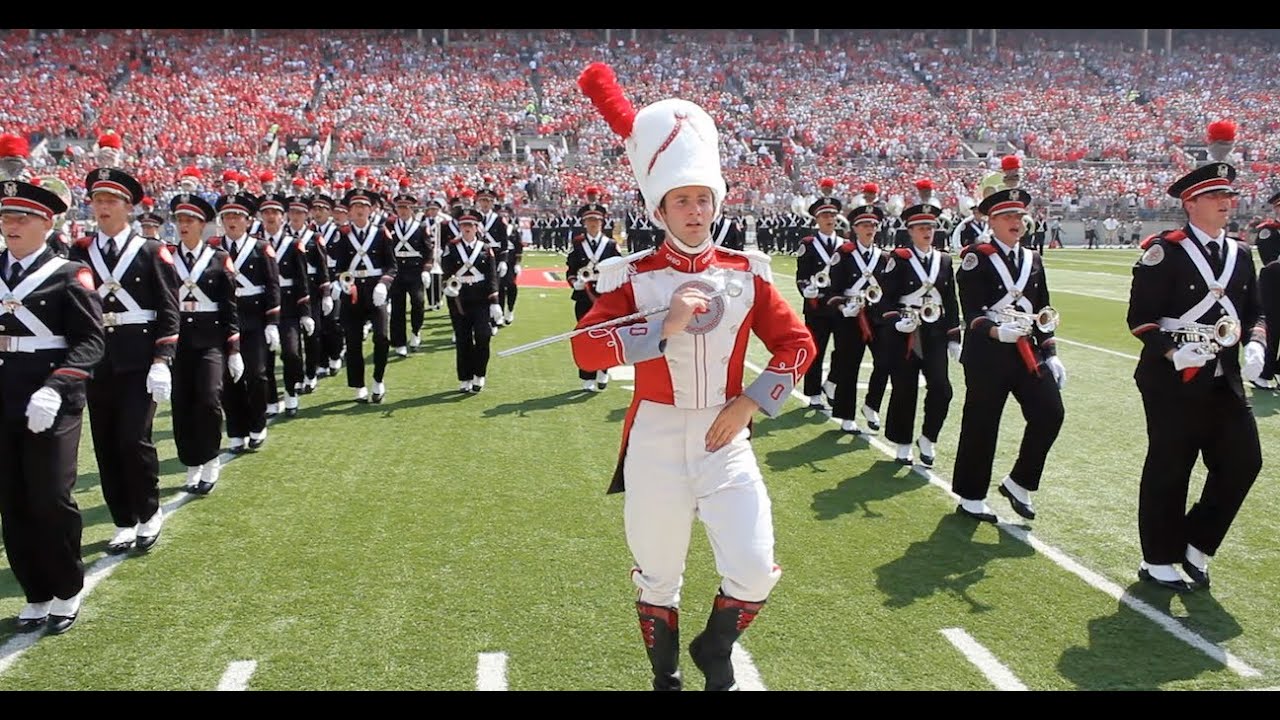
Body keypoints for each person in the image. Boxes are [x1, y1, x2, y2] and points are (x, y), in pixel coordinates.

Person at [573, 62, 816, 691]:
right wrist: (663, 327)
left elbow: (797, 346)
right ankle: (666, 677)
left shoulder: (747, 270)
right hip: (653, 434)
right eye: (681, 199)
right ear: (660, 207)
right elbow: (587, 352)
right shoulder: (629, 276)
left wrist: (751, 405)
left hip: (725, 433)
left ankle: (715, 646)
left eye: (702, 199)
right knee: (658, 573)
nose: (694, 210)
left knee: (756, 567)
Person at [1125, 121, 1267, 591]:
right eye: (1215, 194)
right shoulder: (1164, 251)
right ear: (1191, 203)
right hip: (1173, 378)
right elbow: (1141, 318)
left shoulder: (1242, 255)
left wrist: (1258, 343)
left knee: (1245, 460)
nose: (1228, 201)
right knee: (1171, 463)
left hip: (1224, 376)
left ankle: (1197, 543)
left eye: (1229, 193)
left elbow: (1254, 313)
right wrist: (1171, 352)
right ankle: (1157, 558)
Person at [0, 180, 104, 634]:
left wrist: (56, 386)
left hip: (50, 399)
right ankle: (36, 591)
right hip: (3, 396)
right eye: (5, 217)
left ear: (47, 223)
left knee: (49, 496)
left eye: (21, 217)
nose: (11, 225)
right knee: (13, 499)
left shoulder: (68, 273)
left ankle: (66, 586)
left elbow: (90, 342)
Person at [70, 167, 180, 555]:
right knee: (105, 443)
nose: (102, 207)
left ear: (128, 207)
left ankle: (148, 513)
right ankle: (123, 519)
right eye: (98, 200)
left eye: (111, 201)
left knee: (134, 440)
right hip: (99, 363)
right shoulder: (81, 250)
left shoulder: (151, 250)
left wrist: (162, 359)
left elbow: (169, 307)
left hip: (139, 361)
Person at [951, 188, 1066, 522]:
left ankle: (1019, 481)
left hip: (1027, 350)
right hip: (987, 353)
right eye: (1008, 217)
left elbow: (1042, 308)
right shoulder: (977, 257)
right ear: (992, 221)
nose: (1016, 222)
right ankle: (971, 497)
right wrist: (995, 330)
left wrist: (1052, 352)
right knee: (982, 423)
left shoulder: (1033, 258)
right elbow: (971, 310)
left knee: (1050, 412)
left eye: (1019, 216)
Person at [867, 201, 960, 467]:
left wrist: (954, 337)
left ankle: (929, 437)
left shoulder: (943, 260)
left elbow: (950, 300)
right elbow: (884, 298)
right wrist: (895, 321)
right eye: (921, 227)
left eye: (930, 226)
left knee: (942, 389)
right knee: (905, 390)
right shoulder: (899, 258)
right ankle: (903, 442)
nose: (927, 231)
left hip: (934, 332)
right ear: (910, 230)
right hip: (905, 333)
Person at [166, 193, 244, 494]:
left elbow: (229, 306)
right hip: (178, 342)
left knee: (210, 398)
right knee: (182, 404)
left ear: (203, 225)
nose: (183, 226)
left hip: (210, 341)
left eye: (190, 220)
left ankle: (210, 457)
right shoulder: (166, 256)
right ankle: (192, 462)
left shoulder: (219, 258)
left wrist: (234, 348)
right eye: (180, 220)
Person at [216, 192, 280, 452]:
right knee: (229, 378)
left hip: (254, 318)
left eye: (237, 216)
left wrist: (272, 321)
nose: (232, 221)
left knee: (256, 374)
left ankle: (257, 423)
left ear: (248, 221)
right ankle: (236, 430)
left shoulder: (261, 247)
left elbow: (272, 286)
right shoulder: (214, 247)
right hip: (224, 320)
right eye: (227, 216)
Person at [826, 203, 892, 434]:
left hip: (876, 317)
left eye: (873, 225)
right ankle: (846, 415)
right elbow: (832, 291)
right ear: (855, 228)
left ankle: (871, 405)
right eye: (865, 225)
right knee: (848, 365)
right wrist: (843, 307)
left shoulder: (883, 256)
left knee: (885, 362)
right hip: (850, 317)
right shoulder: (843, 254)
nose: (870, 229)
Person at [330, 188, 396, 403]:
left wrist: (384, 285)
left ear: (371, 210)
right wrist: (341, 283)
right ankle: (358, 384)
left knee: (382, 337)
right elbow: (338, 267)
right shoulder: (343, 234)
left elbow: (391, 266)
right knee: (353, 340)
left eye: (363, 207)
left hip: (376, 291)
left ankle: (378, 378)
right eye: (355, 207)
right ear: (349, 211)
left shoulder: (381, 232)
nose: (359, 210)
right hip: (354, 293)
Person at [794, 187, 845, 408]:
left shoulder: (844, 243)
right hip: (816, 306)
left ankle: (832, 382)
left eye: (833, 215)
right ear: (817, 219)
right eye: (825, 215)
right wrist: (806, 290)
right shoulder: (808, 244)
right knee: (816, 349)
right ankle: (813, 394)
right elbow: (801, 276)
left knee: (844, 349)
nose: (830, 219)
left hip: (840, 306)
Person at [565, 200, 621, 392]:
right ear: (584, 223)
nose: (593, 224)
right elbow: (570, 269)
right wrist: (575, 283)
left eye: (596, 221)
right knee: (584, 336)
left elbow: (620, 270)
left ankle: (603, 370)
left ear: (602, 223)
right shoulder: (578, 244)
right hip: (583, 298)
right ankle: (587, 375)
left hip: (605, 297)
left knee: (605, 335)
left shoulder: (611, 245)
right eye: (589, 221)